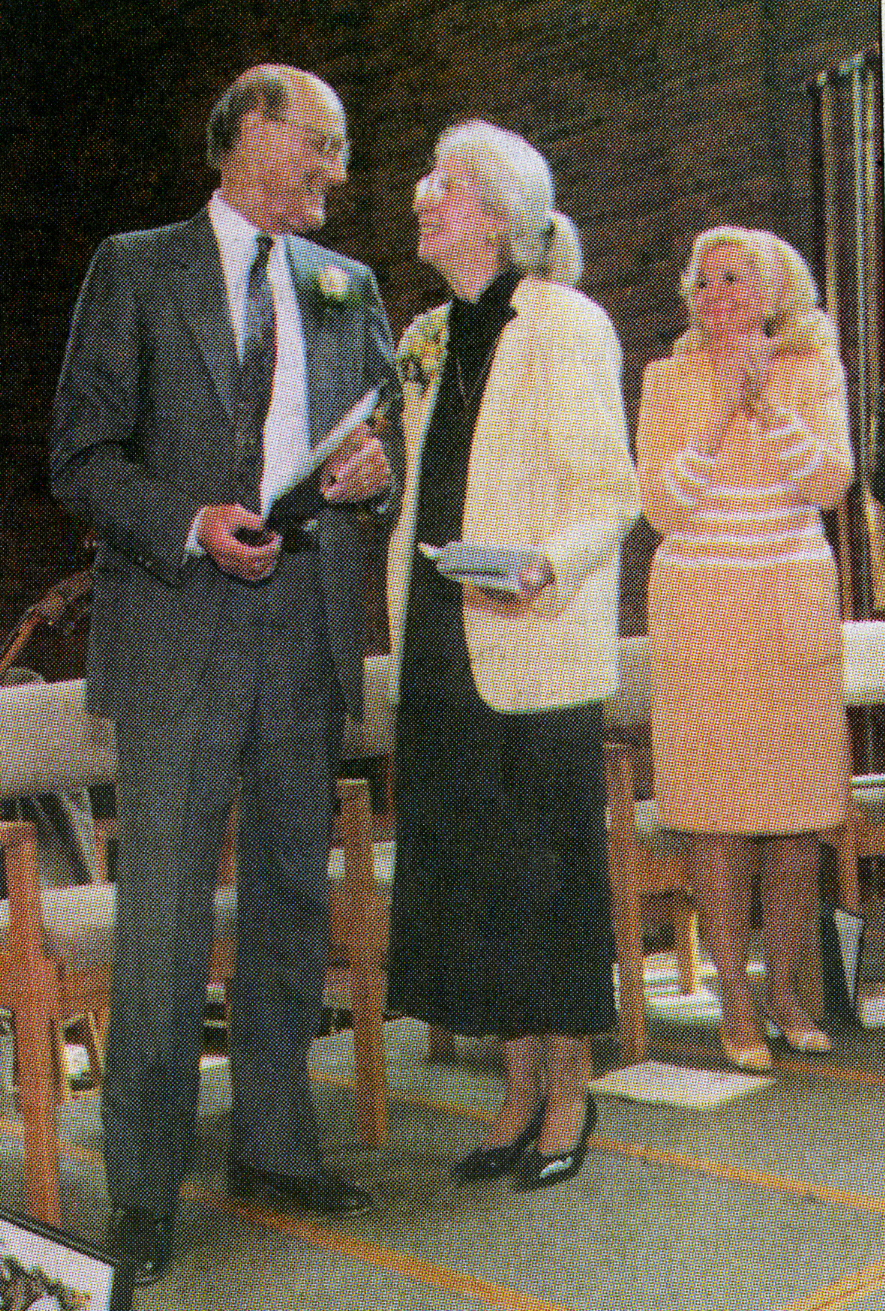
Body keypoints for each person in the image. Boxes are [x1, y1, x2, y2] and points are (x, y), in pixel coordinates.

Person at [50, 64, 401, 1281]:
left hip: (303, 627)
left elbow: (379, 435)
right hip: (180, 634)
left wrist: (375, 474)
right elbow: (80, 457)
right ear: (253, 131)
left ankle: (275, 1144)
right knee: (162, 922)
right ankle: (142, 1190)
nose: (338, 174)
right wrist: (191, 520)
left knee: (294, 906)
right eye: (326, 145)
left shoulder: (345, 282)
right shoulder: (134, 267)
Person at [386, 120, 639, 1191]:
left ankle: (568, 1093)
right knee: (485, 882)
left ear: (495, 211)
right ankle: (516, 1086)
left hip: (532, 639)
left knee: (548, 878)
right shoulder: (426, 334)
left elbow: (611, 493)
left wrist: (544, 564)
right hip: (444, 639)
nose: (418, 198)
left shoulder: (565, 324)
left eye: (440, 185)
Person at [636, 225, 853, 1071]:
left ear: (773, 291)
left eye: (733, 278)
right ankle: (732, 997)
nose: (714, 293)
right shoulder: (665, 377)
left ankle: (785, 989)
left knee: (795, 817)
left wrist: (766, 401)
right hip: (699, 618)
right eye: (702, 280)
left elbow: (828, 482)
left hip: (788, 611)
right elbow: (662, 504)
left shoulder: (813, 367)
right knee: (715, 817)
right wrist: (724, 404)